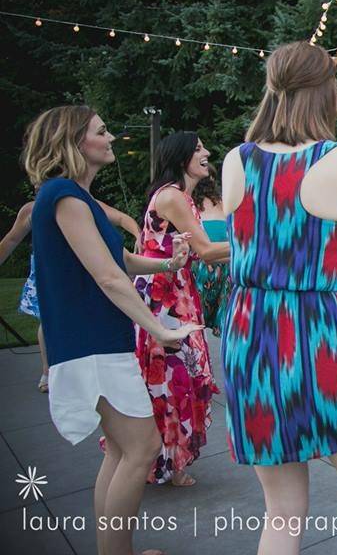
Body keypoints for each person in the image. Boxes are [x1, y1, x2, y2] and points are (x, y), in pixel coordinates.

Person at [221, 41, 337, 555]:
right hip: (318, 337)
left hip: (250, 337)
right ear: (327, 92)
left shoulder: (237, 160)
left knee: (280, 514)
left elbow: (252, 247)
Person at [22, 105, 202, 555]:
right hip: (92, 345)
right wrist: (158, 329)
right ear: (75, 142)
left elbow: (120, 259)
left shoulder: (75, 198)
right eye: (102, 131)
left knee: (122, 451)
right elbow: (107, 277)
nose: (111, 138)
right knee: (141, 448)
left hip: (96, 343)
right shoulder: (63, 195)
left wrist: (168, 262)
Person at [135, 131, 228, 486]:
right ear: (182, 157)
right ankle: (156, 462)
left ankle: (169, 462)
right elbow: (206, 250)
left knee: (178, 376)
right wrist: (258, 245)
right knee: (170, 376)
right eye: (199, 148)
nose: (207, 152)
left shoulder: (180, 197)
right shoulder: (173, 196)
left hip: (175, 289)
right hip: (164, 297)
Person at [0, 198, 139, 392]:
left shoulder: (80, 201)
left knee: (85, 315)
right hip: (48, 270)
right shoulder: (32, 209)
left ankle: (89, 367)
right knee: (47, 318)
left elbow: (122, 218)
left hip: (78, 267)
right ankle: (48, 370)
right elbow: (12, 239)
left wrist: (139, 235)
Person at [191, 166, 231, 337]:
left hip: (206, 265)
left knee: (196, 317)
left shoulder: (191, 204)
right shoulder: (224, 202)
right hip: (221, 263)